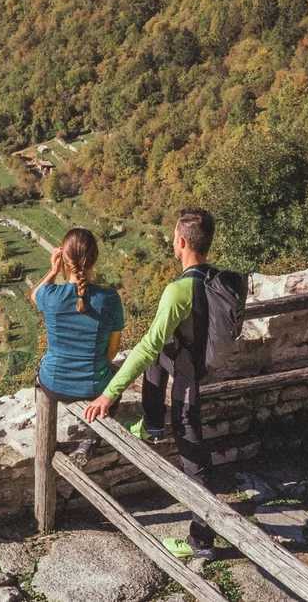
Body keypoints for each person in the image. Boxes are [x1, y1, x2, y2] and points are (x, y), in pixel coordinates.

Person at [83, 208, 218, 559]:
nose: (173, 242)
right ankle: (153, 424)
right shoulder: (217, 279)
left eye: (174, 237)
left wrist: (109, 394)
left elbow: (145, 347)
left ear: (182, 242)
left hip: (190, 383)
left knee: (194, 457)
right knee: (161, 356)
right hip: (206, 366)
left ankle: (201, 542)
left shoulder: (178, 291)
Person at [32, 227, 124, 466]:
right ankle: (90, 441)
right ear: (95, 258)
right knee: (116, 381)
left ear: (63, 258)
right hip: (92, 388)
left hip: (52, 384)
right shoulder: (110, 300)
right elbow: (112, 352)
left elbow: (34, 296)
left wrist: (53, 271)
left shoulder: (51, 295)